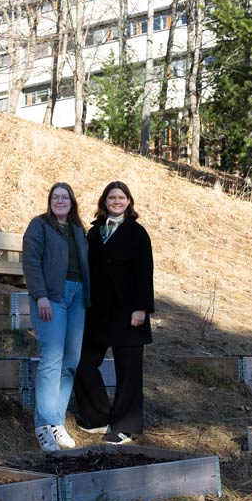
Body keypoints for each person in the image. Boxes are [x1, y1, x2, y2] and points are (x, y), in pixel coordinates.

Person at [74, 181, 154, 445]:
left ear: (129, 202)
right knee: (83, 362)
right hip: (97, 312)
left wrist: (141, 308)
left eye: (121, 197)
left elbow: (145, 271)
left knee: (128, 372)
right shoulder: (94, 233)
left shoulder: (137, 233)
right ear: (104, 201)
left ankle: (123, 427)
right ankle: (97, 418)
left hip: (129, 312)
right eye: (112, 197)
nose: (116, 201)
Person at [21, 182, 91, 453]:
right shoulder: (39, 226)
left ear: (72, 202)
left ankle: (57, 424)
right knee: (52, 359)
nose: (60, 201)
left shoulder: (77, 230)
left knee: (70, 362)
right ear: (49, 201)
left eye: (65, 197)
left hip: (77, 298)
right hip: (52, 297)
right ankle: (44, 426)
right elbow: (31, 261)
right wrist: (40, 296)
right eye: (55, 197)